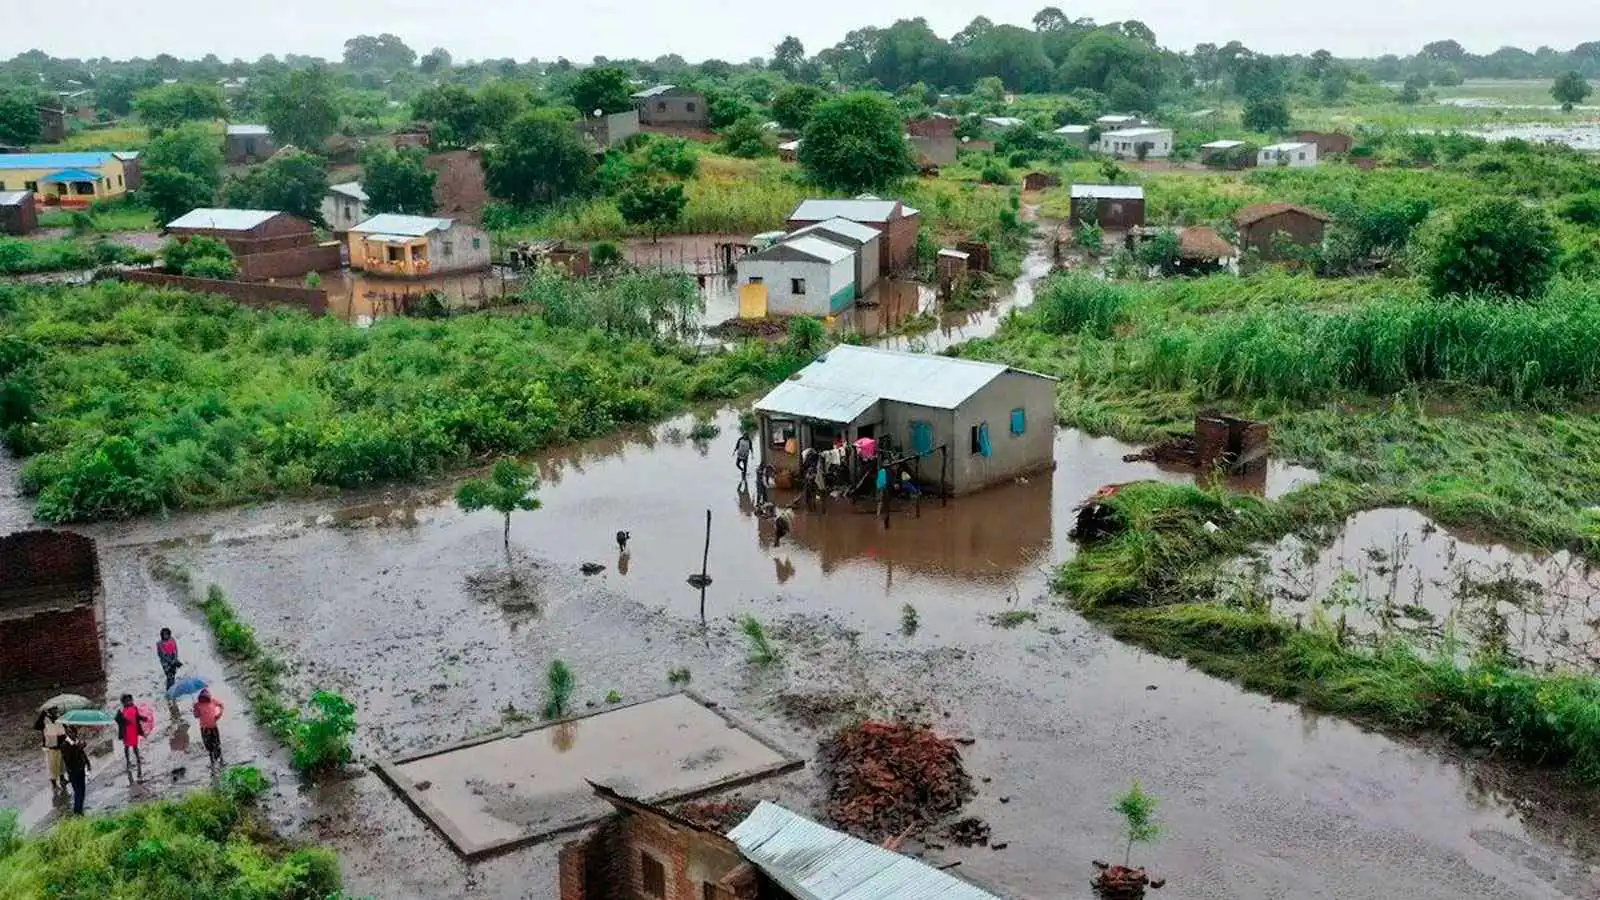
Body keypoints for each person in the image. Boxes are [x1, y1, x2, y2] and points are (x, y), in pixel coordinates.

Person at [113, 694, 150, 779]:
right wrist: (124, 720)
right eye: (126, 701)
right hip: (126, 731)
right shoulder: (122, 711)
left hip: (133, 730)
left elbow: (137, 717)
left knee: (135, 745)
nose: (129, 702)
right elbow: (117, 719)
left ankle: (137, 758)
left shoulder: (134, 708)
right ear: (123, 702)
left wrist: (143, 718)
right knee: (126, 746)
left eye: (130, 700)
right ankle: (128, 760)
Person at [59, 728, 90, 815]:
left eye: (73, 732)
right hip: (73, 771)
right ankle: (77, 812)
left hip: (81, 769)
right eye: (70, 733)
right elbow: (68, 760)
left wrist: (88, 763)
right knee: (78, 791)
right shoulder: (64, 745)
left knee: (82, 790)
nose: (72, 734)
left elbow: (82, 754)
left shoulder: (76, 742)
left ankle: (80, 809)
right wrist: (78, 748)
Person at [35, 706, 66, 791]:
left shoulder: (59, 718)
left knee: (61, 764)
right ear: (49, 710)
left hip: (60, 745)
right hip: (50, 747)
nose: (55, 711)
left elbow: (64, 730)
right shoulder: (44, 720)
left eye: (55, 709)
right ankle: (54, 784)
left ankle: (62, 779)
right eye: (53, 709)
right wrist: (42, 715)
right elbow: (37, 727)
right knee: (52, 766)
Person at [192, 689, 226, 767]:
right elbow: (196, 715)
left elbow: (221, 705)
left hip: (208, 728)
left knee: (213, 745)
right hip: (209, 727)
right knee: (213, 744)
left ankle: (216, 761)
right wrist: (195, 709)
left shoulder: (209, 702)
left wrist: (219, 714)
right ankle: (217, 761)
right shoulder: (199, 704)